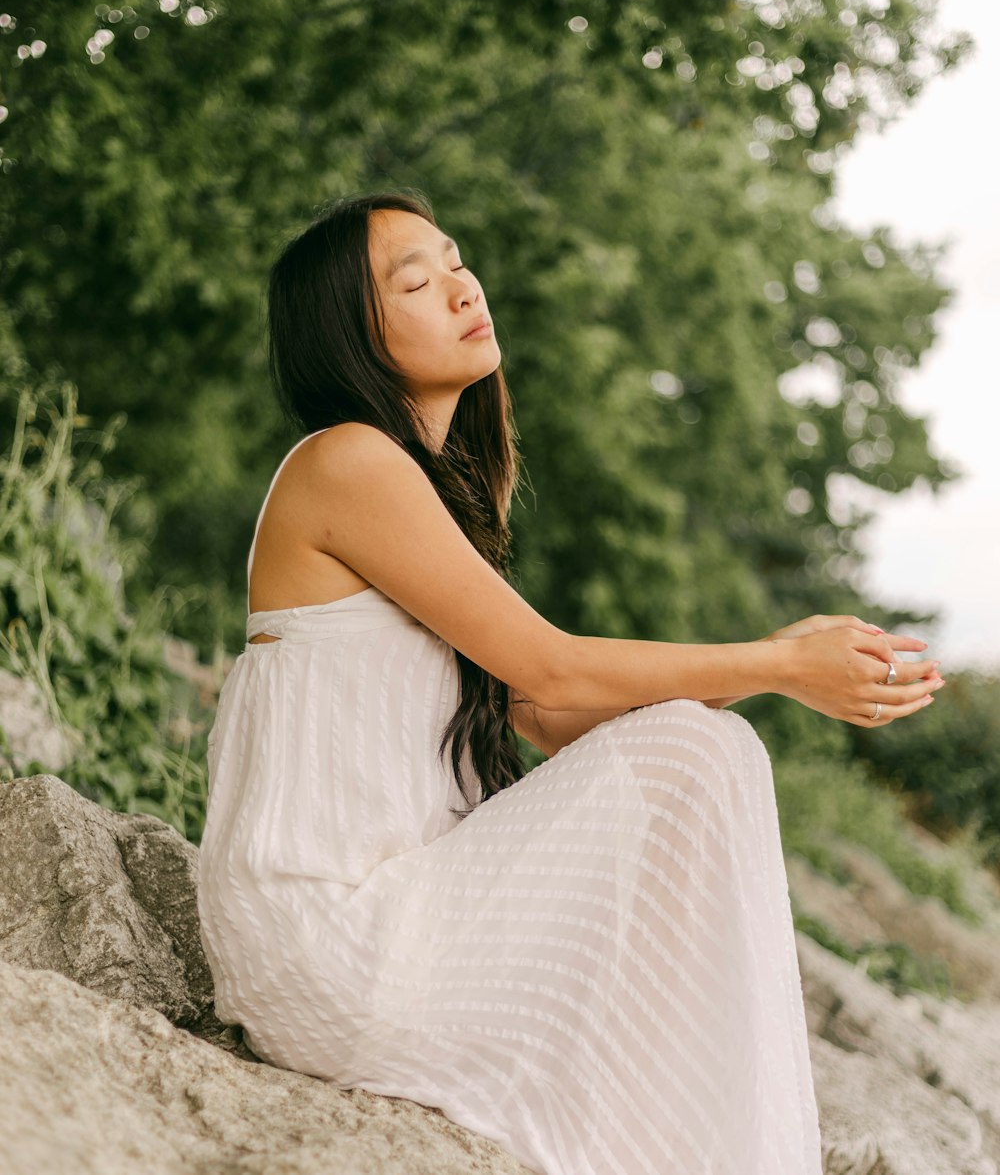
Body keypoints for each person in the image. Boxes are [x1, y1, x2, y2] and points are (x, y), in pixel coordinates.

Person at [196, 190, 943, 1175]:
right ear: (351, 335)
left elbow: (546, 711)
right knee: (698, 750)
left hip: (382, 923)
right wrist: (774, 661)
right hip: (328, 938)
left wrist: (777, 671)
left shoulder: (427, 496)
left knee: (706, 747)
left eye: (455, 260)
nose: (460, 284)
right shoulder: (346, 462)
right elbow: (548, 662)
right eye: (416, 279)